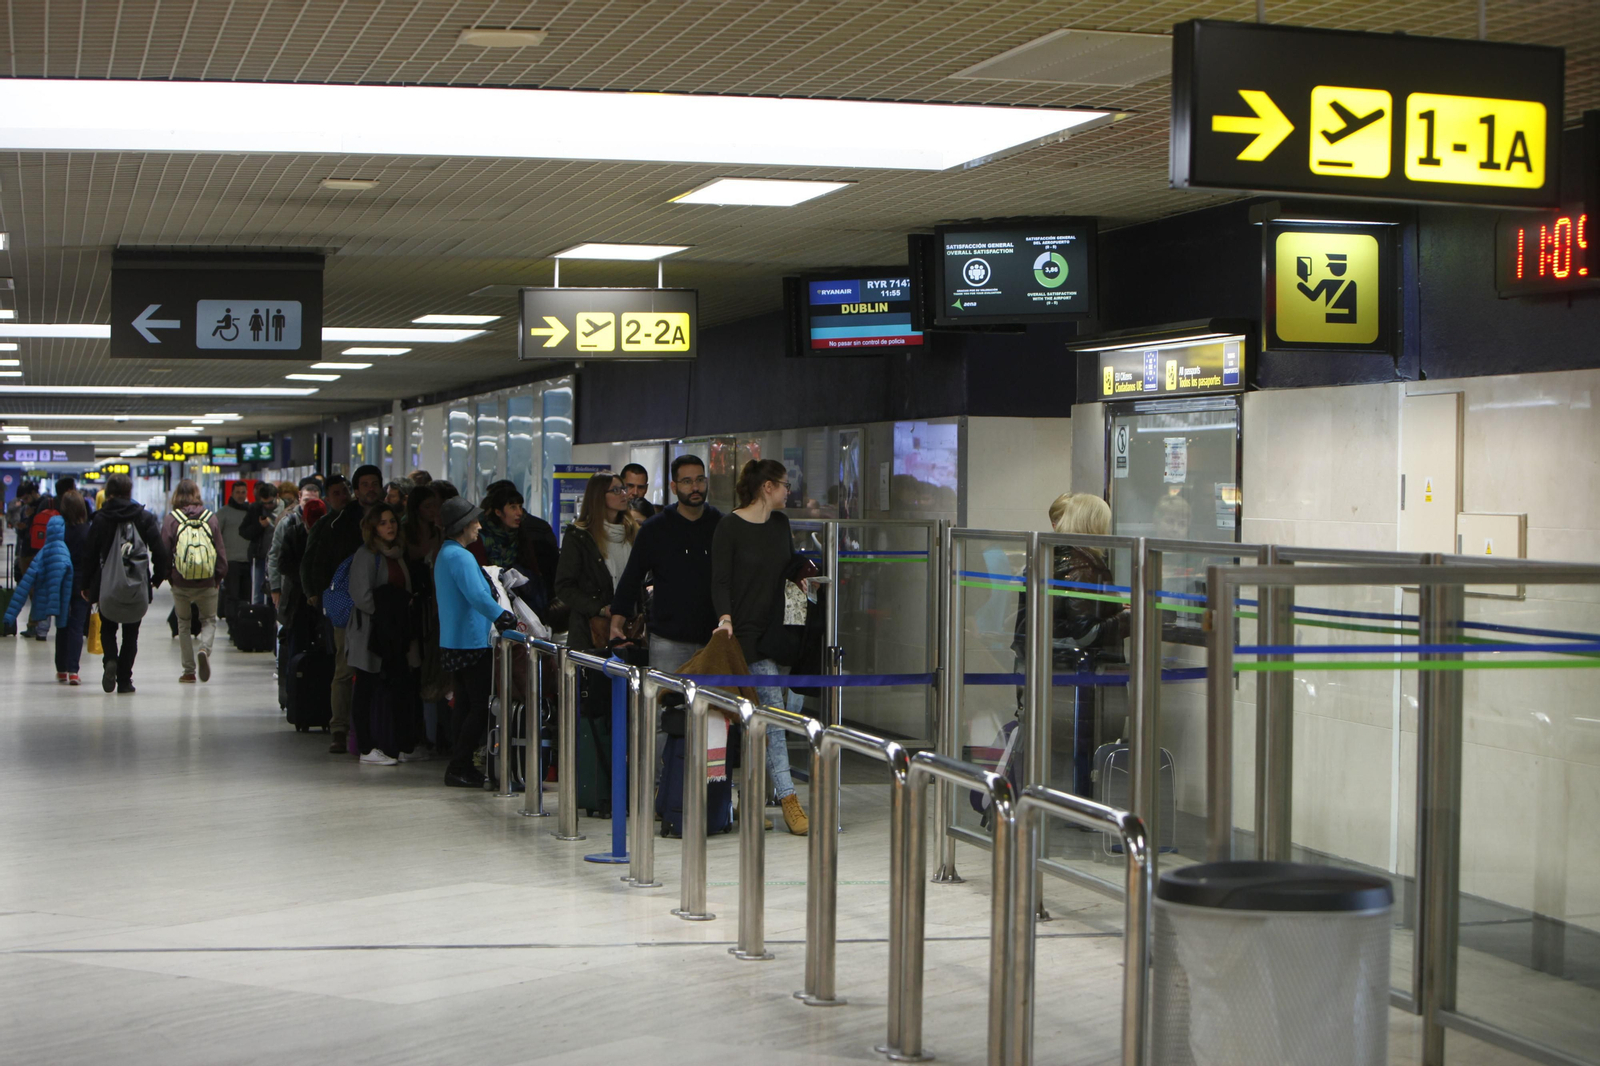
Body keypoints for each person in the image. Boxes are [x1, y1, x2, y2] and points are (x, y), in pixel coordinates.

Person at [711, 458, 809, 835]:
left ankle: (750, 799)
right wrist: (725, 618)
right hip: (747, 635)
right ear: (767, 487)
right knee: (774, 718)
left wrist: (802, 578)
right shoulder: (730, 527)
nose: (788, 492)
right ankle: (788, 798)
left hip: (781, 633)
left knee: (773, 715)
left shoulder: (781, 524)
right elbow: (720, 581)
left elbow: (785, 570)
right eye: (785, 485)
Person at [433, 496, 521, 787]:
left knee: (463, 704)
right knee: (480, 706)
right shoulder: (460, 556)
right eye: (474, 522)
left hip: (454, 639)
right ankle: (459, 764)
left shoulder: (446, 554)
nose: (479, 527)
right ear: (462, 526)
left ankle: (460, 763)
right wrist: (502, 616)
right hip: (471, 641)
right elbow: (477, 594)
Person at [1047, 492, 1131, 797]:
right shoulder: (1085, 566)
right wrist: (1127, 617)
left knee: (1067, 752)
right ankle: (1083, 805)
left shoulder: (1052, 556)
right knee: (1089, 747)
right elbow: (1086, 632)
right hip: (1088, 674)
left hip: (1060, 670)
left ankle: (1067, 804)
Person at [611, 455, 720, 671]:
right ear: (674, 486)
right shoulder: (655, 528)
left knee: (712, 695)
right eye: (687, 481)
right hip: (668, 639)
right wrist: (617, 622)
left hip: (713, 638)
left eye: (700, 480)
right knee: (665, 693)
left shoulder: (721, 525)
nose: (695, 487)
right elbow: (632, 576)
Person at [301, 467, 381, 754]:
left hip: (382, 605)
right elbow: (316, 561)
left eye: (374, 483)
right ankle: (339, 728)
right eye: (364, 484)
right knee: (345, 668)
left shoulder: (390, 518)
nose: (370, 489)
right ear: (357, 490)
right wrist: (318, 594)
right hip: (346, 604)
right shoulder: (336, 523)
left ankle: (376, 727)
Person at [346, 502, 424, 765]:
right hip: (371, 633)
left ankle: (403, 744)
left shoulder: (397, 553)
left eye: (392, 521)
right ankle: (366, 748)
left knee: (401, 686)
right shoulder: (366, 555)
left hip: (396, 633)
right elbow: (362, 596)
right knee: (365, 687)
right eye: (383, 523)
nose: (389, 527)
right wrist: (390, 612)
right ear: (373, 528)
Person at [82, 473, 168, 694]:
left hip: (107, 584)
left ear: (108, 494)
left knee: (108, 628)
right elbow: (160, 552)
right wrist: (157, 578)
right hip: (136, 584)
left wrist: (85, 585)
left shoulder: (100, 519)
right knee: (131, 634)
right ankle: (125, 680)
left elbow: (89, 555)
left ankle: (110, 659)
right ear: (130, 492)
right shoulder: (144, 517)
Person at [555, 472, 638, 654]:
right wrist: (600, 609)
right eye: (616, 490)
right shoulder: (579, 536)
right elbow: (564, 587)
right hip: (590, 630)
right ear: (599, 496)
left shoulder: (634, 532)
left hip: (630, 626)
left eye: (623, 489)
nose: (624, 494)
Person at [161, 479, 227, 684]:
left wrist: (169, 576)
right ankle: (204, 649)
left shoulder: (171, 519)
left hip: (181, 581)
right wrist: (218, 576)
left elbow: (164, 552)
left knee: (183, 623)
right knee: (209, 620)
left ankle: (188, 671)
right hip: (207, 580)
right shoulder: (210, 518)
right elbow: (220, 550)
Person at [476, 480, 559, 610]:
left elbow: (535, 572)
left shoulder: (523, 535)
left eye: (520, 507)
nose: (519, 512)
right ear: (498, 512)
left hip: (522, 604)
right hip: (491, 603)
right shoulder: (480, 537)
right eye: (513, 507)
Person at [4, 511, 72, 661]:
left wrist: (10, 614)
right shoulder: (66, 552)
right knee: (62, 622)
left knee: (43, 609)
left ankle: (41, 632)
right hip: (62, 602)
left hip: (43, 597)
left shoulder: (42, 553)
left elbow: (24, 585)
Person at [56, 491, 93, 685]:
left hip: (61, 581)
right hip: (81, 583)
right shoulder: (87, 531)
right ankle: (73, 671)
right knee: (77, 626)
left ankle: (61, 669)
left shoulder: (59, 531)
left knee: (62, 624)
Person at [268, 476, 322, 610]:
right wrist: (275, 587)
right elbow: (275, 555)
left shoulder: (325, 522)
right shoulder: (288, 522)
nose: (309, 505)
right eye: (306, 500)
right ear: (299, 497)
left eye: (314, 501)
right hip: (291, 587)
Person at [217, 481, 254, 617]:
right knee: (232, 595)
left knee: (246, 596)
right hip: (231, 561)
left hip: (248, 561)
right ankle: (232, 622)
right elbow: (215, 535)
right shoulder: (223, 513)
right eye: (237, 492)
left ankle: (243, 622)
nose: (240, 495)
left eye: (243, 492)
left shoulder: (251, 512)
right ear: (232, 493)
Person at [242, 480, 281, 604]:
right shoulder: (256, 508)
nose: (267, 506)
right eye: (264, 503)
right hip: (260, 556)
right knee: (258, 592)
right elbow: (243, 531)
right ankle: (259, 615)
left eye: (270, 502)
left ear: (277, 496)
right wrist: (260, 526)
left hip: (279, 557)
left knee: (278, 591)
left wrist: (272, 524)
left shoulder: (286, 508)